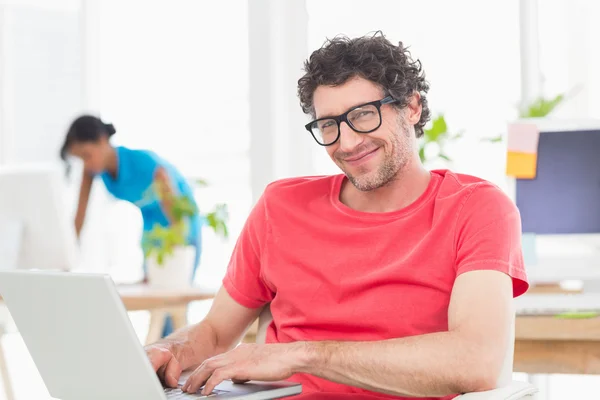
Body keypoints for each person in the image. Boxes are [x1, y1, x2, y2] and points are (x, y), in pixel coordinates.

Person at [145, 32, 529, 399]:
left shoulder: (476, 208)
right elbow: (214, 332)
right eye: (329, 124)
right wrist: (170, 350)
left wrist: (299, 355)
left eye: (363, 115)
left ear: (411, 107)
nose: (347, 143)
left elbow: (477, 361)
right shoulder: (280, 206)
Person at [60, 115, 202, 337]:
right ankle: (162, 360)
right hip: (152, 230)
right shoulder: (93, 172)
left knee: (172, 303)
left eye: (87, 155)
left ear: (102, 140)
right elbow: (80, 216)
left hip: (180, 228)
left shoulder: (145, 163)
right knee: (156, 308)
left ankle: (173, 360)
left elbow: (177, 214)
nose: (86, 164)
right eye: (81, 159)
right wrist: (65, 259)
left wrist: (175, 247)